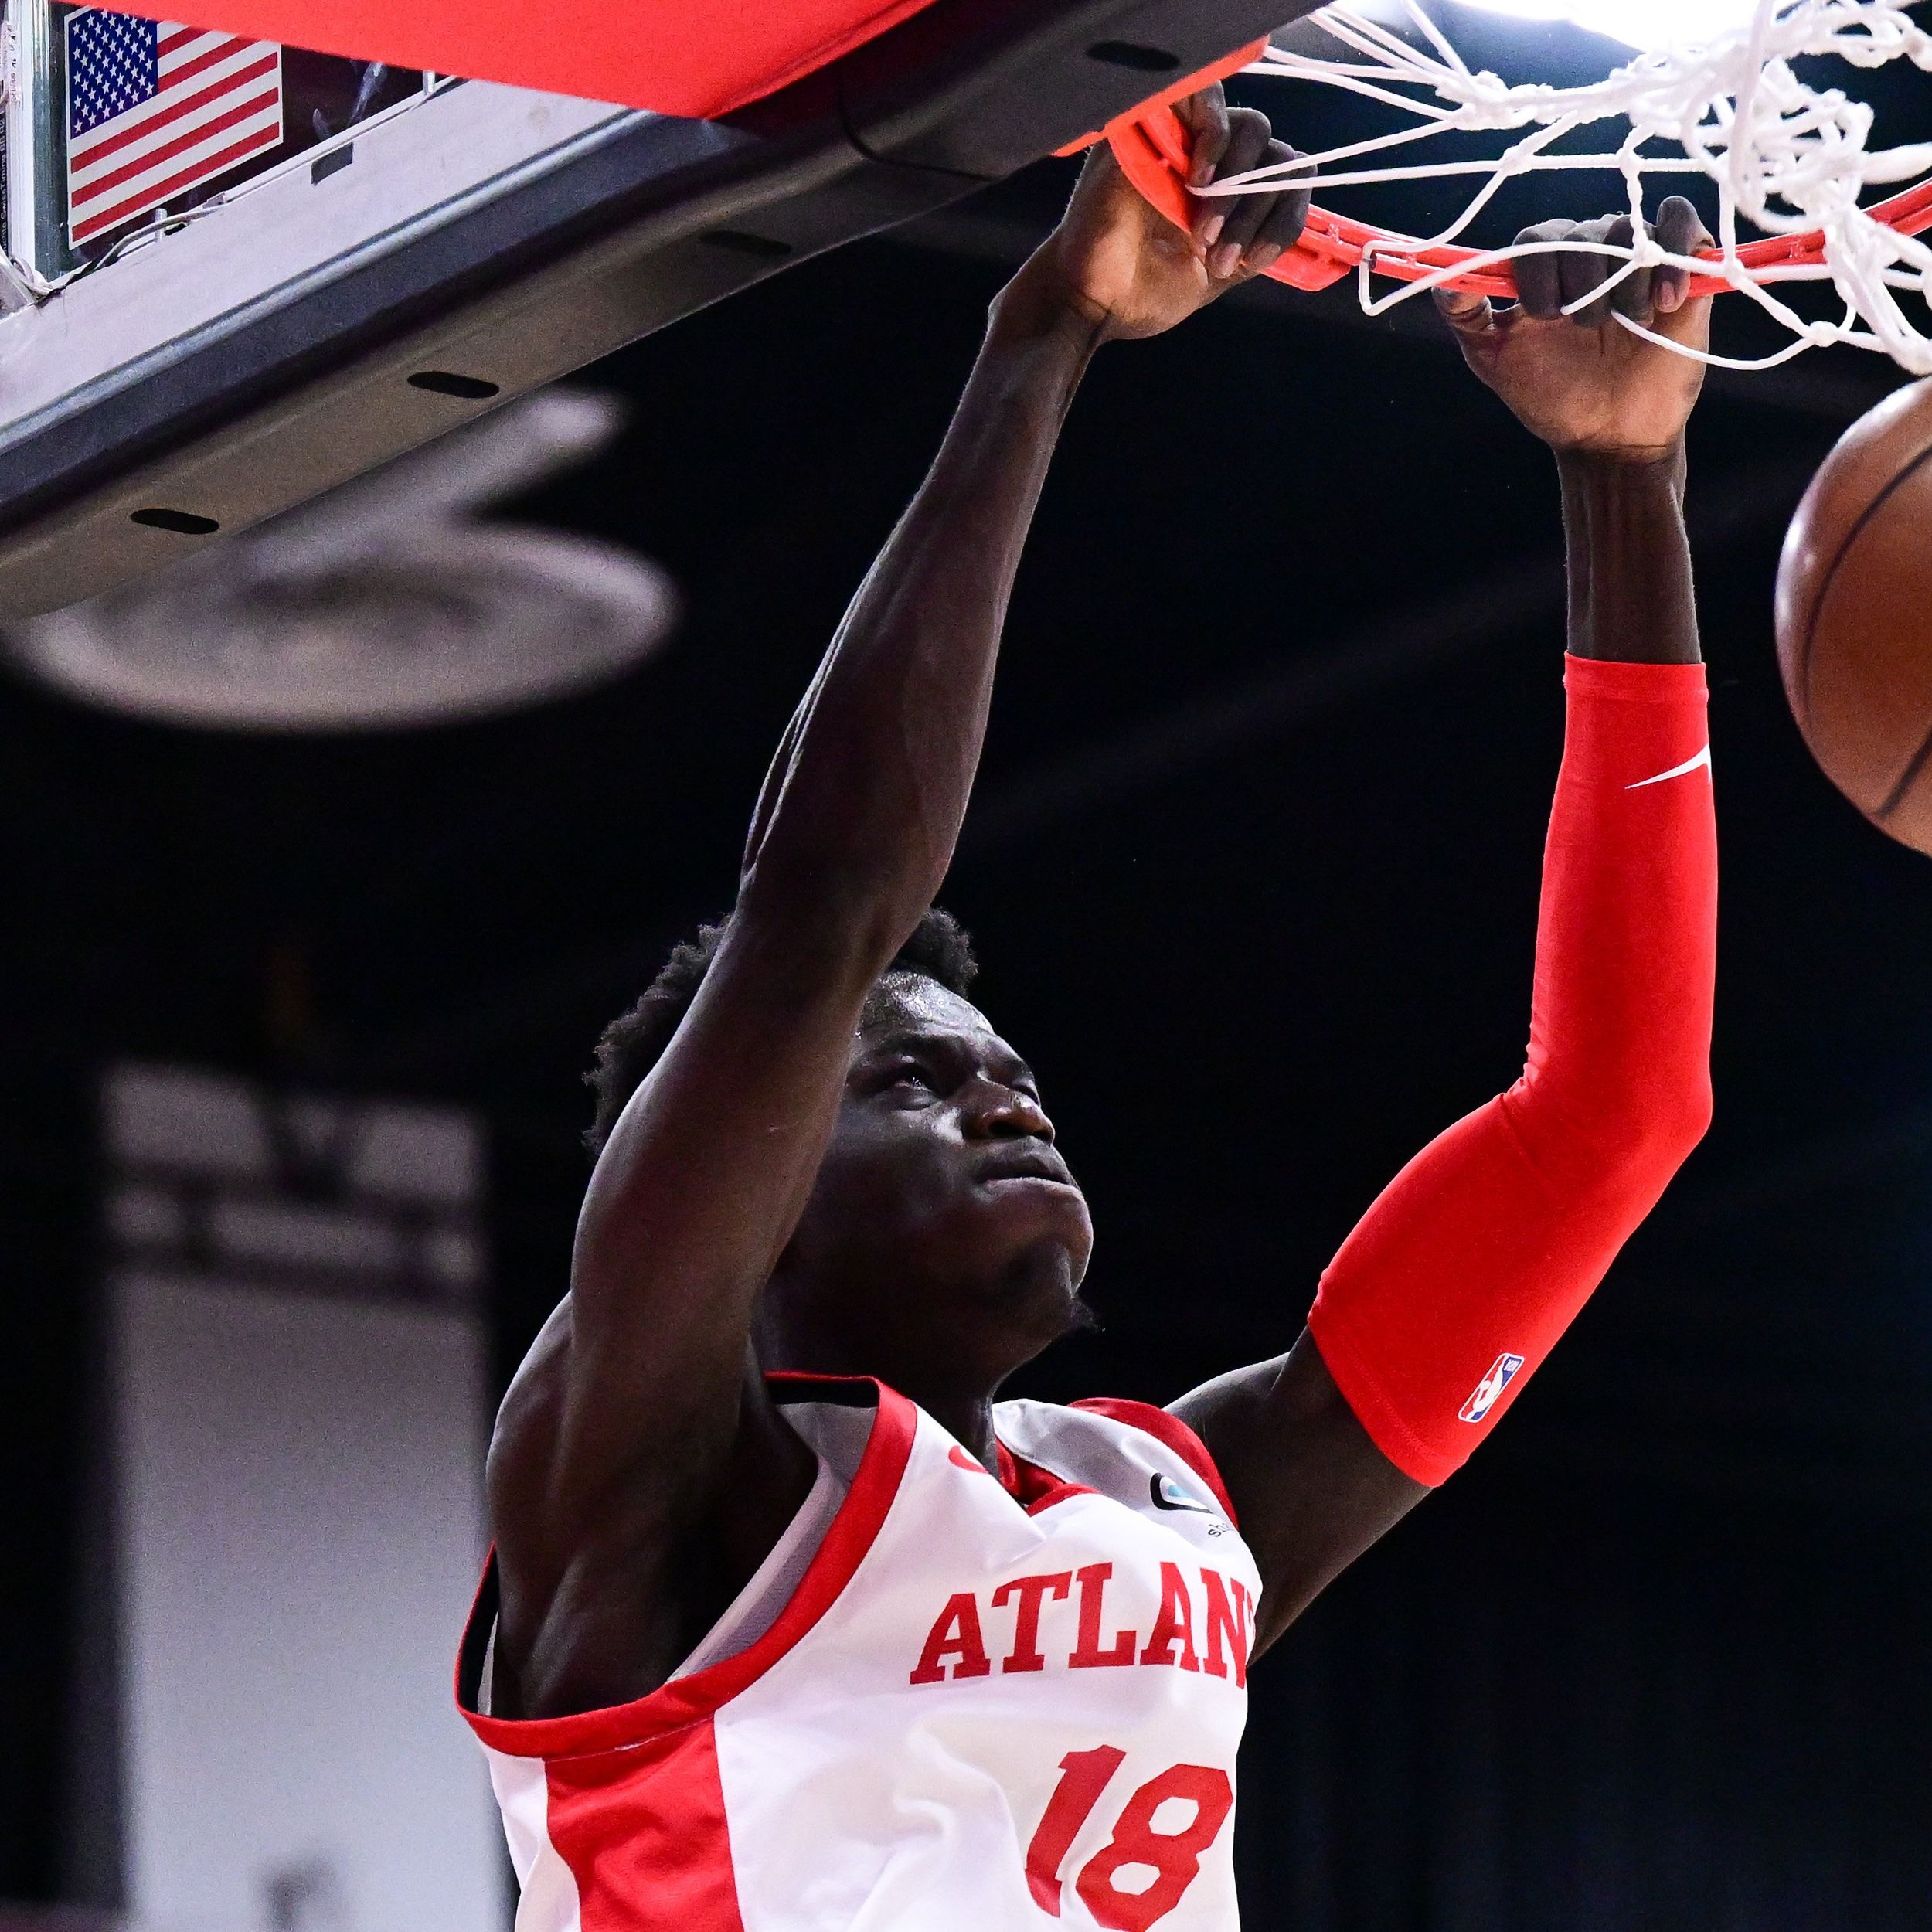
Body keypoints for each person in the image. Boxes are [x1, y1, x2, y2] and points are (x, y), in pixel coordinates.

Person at [456, 88, 1718, 1931]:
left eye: (1003, 1063)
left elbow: (1615, 1110)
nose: (1003, 1096)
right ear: (736, 1181)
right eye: (912, 1076)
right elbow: (818, 911)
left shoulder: (1164, 1499)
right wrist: (1043, 338)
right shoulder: (647, 1467)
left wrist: (1624, 485)